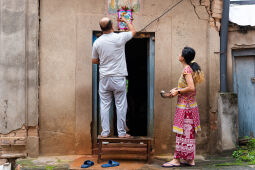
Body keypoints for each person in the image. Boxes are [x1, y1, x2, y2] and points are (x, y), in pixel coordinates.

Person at [92, 17, 136, 138]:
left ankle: (105, 132)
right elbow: (133, 32)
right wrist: (126, 22)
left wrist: (105, 60)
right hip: (118, 77)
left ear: (101, 28)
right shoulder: (119, 37)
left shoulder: (97, 42)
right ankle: (121, 133)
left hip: (104, 78)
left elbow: (94, 60)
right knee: (121, 105)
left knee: (105, 105)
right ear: (112, 26)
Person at [162, 47, 204, 167]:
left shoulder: (186, 69)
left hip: (185, 107)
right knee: (188, 134)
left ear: (183, 57)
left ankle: (177, 160)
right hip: (190, 106)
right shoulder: (190, 68)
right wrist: (176, 90)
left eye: (180, 53)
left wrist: (178, 92)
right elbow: (188, 87)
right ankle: (190, 160)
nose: (178, 54)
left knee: (182, 133)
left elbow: (191, 87)